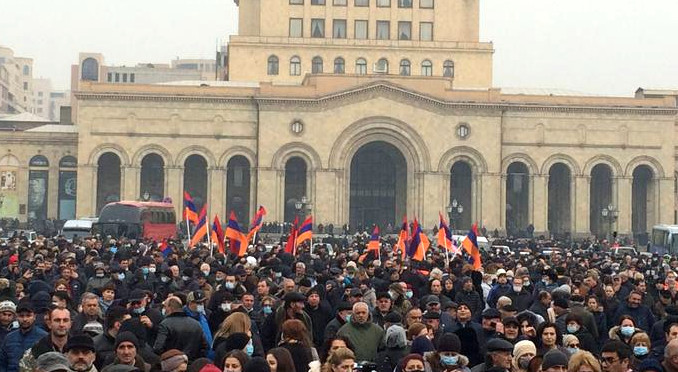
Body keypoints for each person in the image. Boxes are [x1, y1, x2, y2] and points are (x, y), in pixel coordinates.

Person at [18, 306, 72, 372]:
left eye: (65, 320)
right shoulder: (36, 350)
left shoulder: (78, 349)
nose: (61, 324)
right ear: (49, 324)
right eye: (57, 320)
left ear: (70, 324)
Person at [153, 295, 207, 360]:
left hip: (173, 363)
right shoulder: (196, 323)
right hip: (192, 362)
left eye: (165, 306)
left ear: (170, 307)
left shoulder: (165, 324)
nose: (164, 309)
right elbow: (205, 346)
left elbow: (158, 348)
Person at [0, 302, 47, 372]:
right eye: (21, 316)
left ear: (34, 316)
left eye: (28, 315)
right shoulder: (9, 338)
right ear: (16, 317)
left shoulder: (44, 337)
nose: (25, 319)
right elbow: (2, 363)